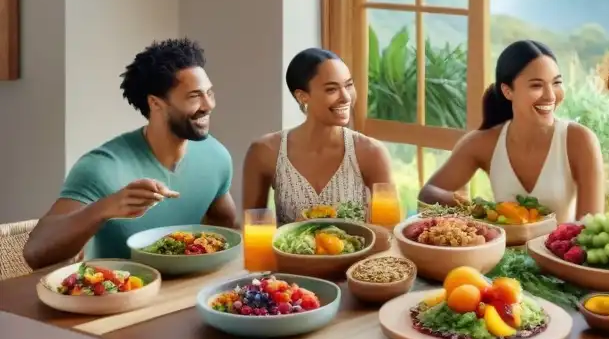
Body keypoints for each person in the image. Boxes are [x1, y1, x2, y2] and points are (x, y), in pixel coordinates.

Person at [23, 38, 236, 269]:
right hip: (115, 296)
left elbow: (224, 222)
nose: (209, 105)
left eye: (209, 93)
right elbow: (35, 253)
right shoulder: (101, 168)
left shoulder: (215, 156)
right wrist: (105, 208)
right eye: (194, 96)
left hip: (184, 294)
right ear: (155, 103)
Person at [418, 40, 604, 222]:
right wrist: (477, 209)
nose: (550, 95)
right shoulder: (485, 143)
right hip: (501, 252)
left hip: (557, 252)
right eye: (537, 85)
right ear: (508, 91)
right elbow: (428, 193)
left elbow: (591, 226)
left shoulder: (579, 140)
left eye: (556, 83)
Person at [242, 48, 393, 224]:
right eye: (331, 89)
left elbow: (388, 233)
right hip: (288, 252)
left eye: (349, 85)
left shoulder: (371, 153)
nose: (346, 97)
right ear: (302, 96)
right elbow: (252, 228)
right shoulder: (265, 151)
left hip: (359, 251)